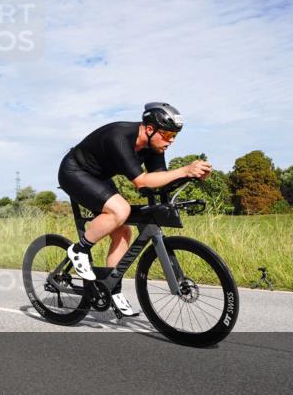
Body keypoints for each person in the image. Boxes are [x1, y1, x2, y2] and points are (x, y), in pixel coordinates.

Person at [57, 102, 211, 316]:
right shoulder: (119, 137)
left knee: (123, 231)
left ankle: (112, 288)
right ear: (149, 129)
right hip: (74, 171)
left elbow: (160, 181)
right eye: (167, 135)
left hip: (99, 178)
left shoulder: (154, 146)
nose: (171, 141)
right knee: (121, 210)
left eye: (175, 136)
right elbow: (142, 181)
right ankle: (79, 250)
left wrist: (188, 175)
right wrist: (184, 168)